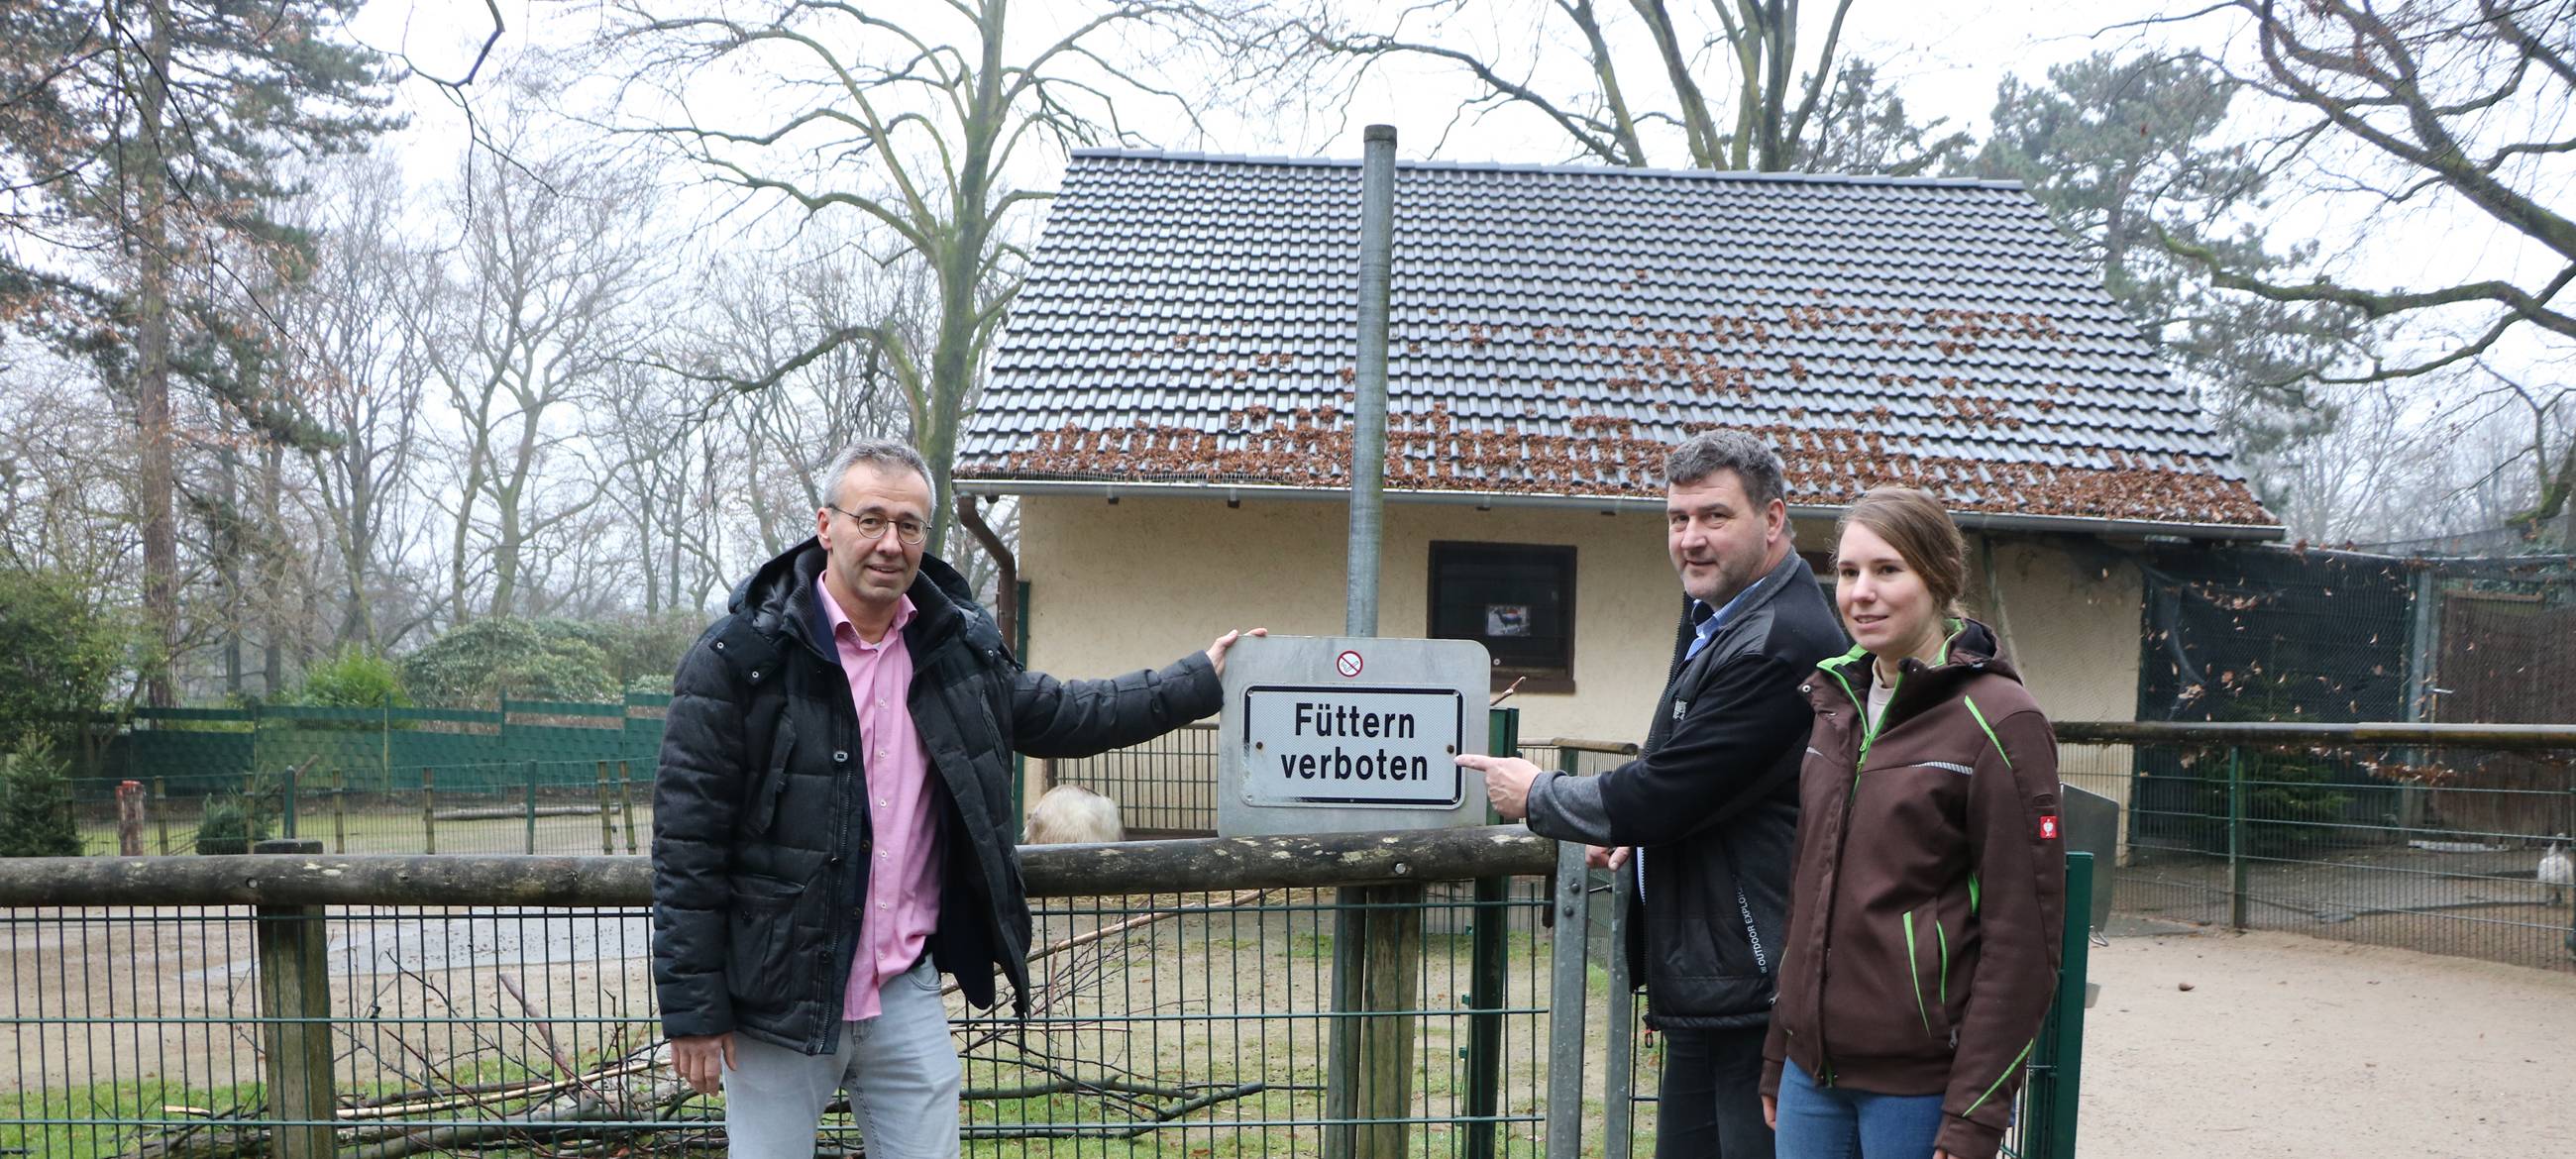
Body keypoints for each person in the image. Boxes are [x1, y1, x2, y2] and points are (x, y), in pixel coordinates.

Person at [650, 439, 1261, 1158]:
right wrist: (693, 1011)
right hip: (777, 996)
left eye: (909, 525)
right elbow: (688, 842)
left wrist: (1198, 678)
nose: (890, 542)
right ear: (825, 525)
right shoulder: (740, 660)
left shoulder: (954, 651)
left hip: (903, 989)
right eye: (869, 519)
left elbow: (1068, 711)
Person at [1464, 430, 1845, 1159]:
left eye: (1713, 517)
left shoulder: (1779, 642)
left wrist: (1541, 793)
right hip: (1714, 973)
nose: (1691, 540)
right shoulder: (1721, 616)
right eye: (1678, 519)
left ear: (1772, 520)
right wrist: (1638, 836)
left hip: (1755, 980)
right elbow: (1705, 780)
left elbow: (1668, 789)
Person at [1759, 486, 2066, 1159]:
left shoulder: (2002, 720)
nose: (1860, 592)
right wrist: (1781, 1049)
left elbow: (2024, 938)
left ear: (1937, 577)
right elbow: (1807, 891)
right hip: (1813, 1078)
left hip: (1921, 1089)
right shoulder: (1832, 703)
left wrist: (1976, 1114)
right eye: (1846, 572)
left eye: (1887, 570)